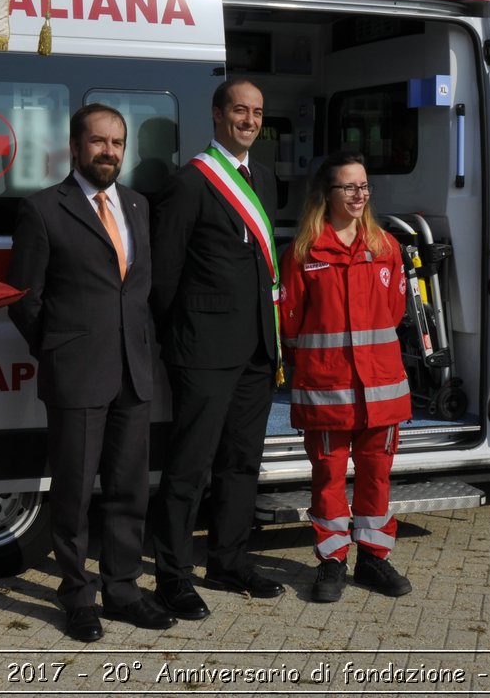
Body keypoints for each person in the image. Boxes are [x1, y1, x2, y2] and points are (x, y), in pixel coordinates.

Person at [8, 104, 174, 640]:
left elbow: (139, 289)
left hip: (133, 370)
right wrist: (57, 349)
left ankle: (123, 591)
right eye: (99, 142)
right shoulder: (42, 210)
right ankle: (77, 596)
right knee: (75, 494)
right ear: (76, 147)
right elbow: (24, 300)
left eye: (118, 143)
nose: (109, 152)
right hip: (77, 371)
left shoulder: (138, 206)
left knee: (129, 490)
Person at [149, 78, 284, 621]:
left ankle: (228, 560)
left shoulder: (265, 180)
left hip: (255, 346)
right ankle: (172, 576)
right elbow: (164, 275)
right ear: (217, 115)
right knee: (190, 468)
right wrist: (175, 342)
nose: (249, 120)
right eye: (239, 111)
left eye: (256, 112)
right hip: (202, 351)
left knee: (241, 463)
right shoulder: (192, 182)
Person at [278, 153, 413, 602]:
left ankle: (373, 559)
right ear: (327, 195)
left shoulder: (386, 249)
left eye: (364, 186)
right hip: (328, 391)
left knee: (377, 477)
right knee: (328, 479)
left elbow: (392, 315)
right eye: (349, 187)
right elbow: (291, 325)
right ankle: (332, 561)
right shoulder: (303, 253)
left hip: (380, 390)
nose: (359, 195)